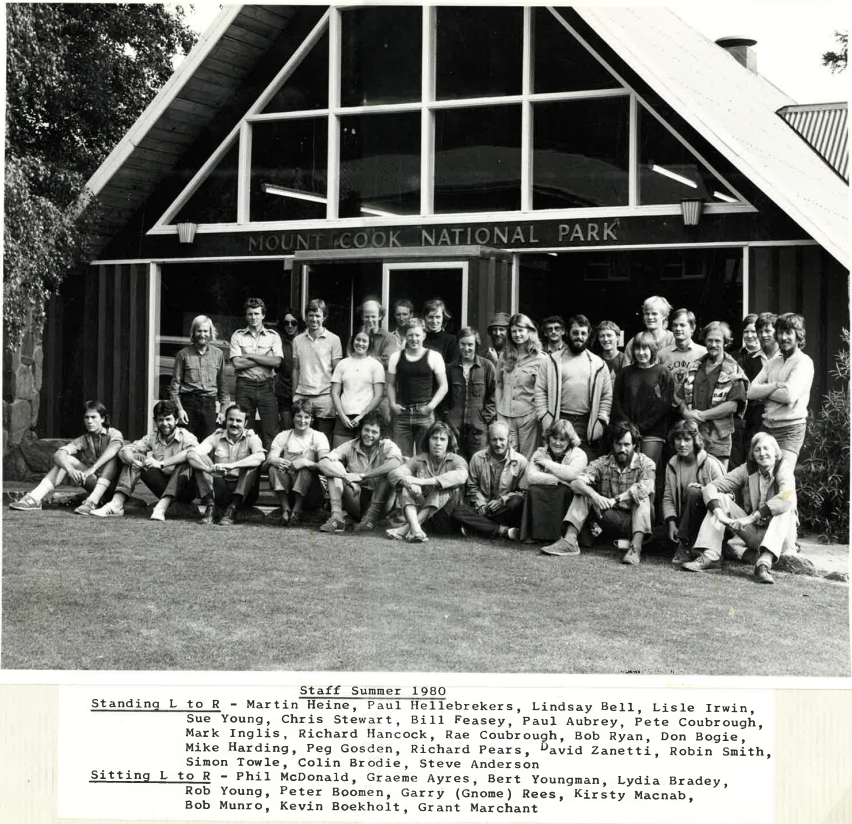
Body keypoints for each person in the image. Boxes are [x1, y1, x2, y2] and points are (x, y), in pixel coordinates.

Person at [683, 432, 797, 585]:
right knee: (721, 498)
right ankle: (711, 557)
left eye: (766, 448)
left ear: (776, 452)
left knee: (785, 509)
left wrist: (752, 517)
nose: (762, 453)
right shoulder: (748, 468)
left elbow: (787, 497)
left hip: (780, 538)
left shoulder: (783, 468)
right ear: (753, 454)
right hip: (754, 533)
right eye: (757, 449)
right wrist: (719, 514)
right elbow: (712, 487)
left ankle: (763, 564)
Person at [541, 421, 655, 566]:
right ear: (612, 444)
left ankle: (635, 549)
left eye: (627, 445)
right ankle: (570, 541)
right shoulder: (603, 462)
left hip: (636, 522)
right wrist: (595, 496)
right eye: (618, 444)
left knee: (642, 497)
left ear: (634, 445)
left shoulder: (646, 463)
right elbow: (576, 483)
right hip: (609, 518)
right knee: (584, 491)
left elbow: (646, 487)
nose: (622, 449)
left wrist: (616, 499)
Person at [386, 421, 516, 542]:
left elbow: (461, 476)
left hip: (446, 518)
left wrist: (422, 482)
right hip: (427, 520)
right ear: (428, 440)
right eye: (434, 438)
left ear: (448, 442)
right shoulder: (418, 459)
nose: (438, 443)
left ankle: (407, 529)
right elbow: (394, 473)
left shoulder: (457, 460)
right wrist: (409, 483)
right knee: (405, 488)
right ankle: (415, 527)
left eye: (442, 439)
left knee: (447, 487)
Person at [9, 400, 124, 515]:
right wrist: (70, 470)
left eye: (94, 417)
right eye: (87, 417)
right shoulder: (84, 439)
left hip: (116, 491)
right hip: (96, 485)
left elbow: (115, 447)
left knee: (114, 457)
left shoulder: (114, 433)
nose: (89, 421)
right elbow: (58, 455)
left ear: (103, 419)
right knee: (66, 460)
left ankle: (93, 501)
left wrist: (92, 469)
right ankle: (35, 498)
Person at [90, 400, 199, 521]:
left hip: (185, 488)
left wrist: (161, 464)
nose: (164, 423)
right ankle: (116, 504)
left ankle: (161, 507)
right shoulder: (153, 436)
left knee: (186, 461)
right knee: (137, 457)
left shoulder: (186, 436)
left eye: (168, 419)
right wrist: (132, 461)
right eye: (160, 420)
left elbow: (193, 454)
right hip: (163, 485)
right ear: (155, 421)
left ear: (177, 420)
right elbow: (126, 449)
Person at [535, 314, 612, 462]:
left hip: (586, 422)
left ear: (588, 336)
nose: (579, 337)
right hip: (559, 419)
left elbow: (606, 396)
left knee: (584, 464)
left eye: (583, 333)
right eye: (575, 333)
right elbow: (540, 390)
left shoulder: (599, 364)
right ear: (568, 333)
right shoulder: (551, 361)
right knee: (557, 463)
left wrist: (601, 419)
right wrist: (544, 416)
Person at [676, 321, 748, 470]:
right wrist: (686, 413)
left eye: (718, 341)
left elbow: (733, 406)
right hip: (693, 433)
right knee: (692, 476)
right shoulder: (695, 366)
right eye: (710, 340)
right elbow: (681, 399)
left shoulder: (733, 369)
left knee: (717, 478)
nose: (713, 344)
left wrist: (702, 415)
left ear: (725, 343)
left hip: (718, 435)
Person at [318, 410, 403, 533]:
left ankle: (371, 518)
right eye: (366, 430)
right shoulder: (351, 445)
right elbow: (323, 463)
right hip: (356, 498)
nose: (369, 435)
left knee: (390, 470)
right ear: (361, 430)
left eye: (374, 432)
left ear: (381, 434)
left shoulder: (387, 445)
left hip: (380, 501)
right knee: (333, 466)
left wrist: (362, 476)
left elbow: (396, 463)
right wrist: (345, 477)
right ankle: (337, 517)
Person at [747, 312, 814, 467]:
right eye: (780, 332)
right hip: (767, 426)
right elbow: (750, 392)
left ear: (798, 335)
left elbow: (789, 395)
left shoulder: (803, 362)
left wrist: (764, 393)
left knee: (783, 474)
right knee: (759, 473)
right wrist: (775, 385)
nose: (783, 337)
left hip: (790, 429)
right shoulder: (772, 362)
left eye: (788, 333)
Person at [187, 403, 266, 526]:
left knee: (253, 463)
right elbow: (192, 454)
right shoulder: (216, 436)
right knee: (200, 458)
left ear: (245, 423)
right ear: (226, 420)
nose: (234, 424)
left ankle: (232, 510)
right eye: (231, 419)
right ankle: (210, 508)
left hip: (244, 492)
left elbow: (261, 457)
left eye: (238, 421)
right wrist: (207, 469)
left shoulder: (252, 437)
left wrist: (232, 465)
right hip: (221, 488)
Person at [662, 419, 725, 564]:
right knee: (655, 538)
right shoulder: (672, 464)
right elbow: (668, 498)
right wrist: (671, 523)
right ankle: (688, 544)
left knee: (693, 491)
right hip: (683, 520)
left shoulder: (710, 463)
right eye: (678, 439)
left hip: (709, 522)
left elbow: (728, 497)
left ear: (695, 440)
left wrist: (704, 491)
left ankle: (685, 545)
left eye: (687, 439)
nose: (682, 444)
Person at [611, 330, 674, 474]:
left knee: (646, 472)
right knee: (627, 473)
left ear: (652, 349)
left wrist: (640, 427)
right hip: (626, 431)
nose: (641, 352)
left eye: (645, 348)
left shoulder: (663, 373)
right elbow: (617, 403)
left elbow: (663, 407)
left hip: (653, 432)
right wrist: (628, 427)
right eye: (637, 348)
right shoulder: (625, 373)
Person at [387, 318, 448, 457]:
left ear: (424, 335)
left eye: (417, 335)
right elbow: (390, 384)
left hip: (424, 414)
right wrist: (392, 404)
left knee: (425, 456)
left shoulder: (434, 356)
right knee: (401, 457)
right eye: (410, 335)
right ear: (405, 336)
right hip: (402, 414)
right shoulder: (396, 357)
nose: (414, 339)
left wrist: (431, 406)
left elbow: (444, 386)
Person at [519, 419, 588, 543]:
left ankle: (562, 535)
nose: (557, 443)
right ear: (548, 437)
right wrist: (559, 480)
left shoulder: (579, 454)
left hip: (567, 495)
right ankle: (536, 535)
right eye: (554, 438)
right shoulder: (540, 452)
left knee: (565, 491)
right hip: (550, 489)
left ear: (569, 441)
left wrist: (546, 463)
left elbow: (571, 474)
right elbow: (531, 477)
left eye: (562, 439)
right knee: (533, 490)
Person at [229, 297, 283, 451]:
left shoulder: (273, 336)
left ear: (263, 315)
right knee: (244, 429)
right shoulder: (238, 336)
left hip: (266, 387)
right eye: (250, 314)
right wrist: (265, 359)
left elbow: (277, 362)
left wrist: (251, 356)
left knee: (271, 429)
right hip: (244, 386)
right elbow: (237, 364)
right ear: (246, 316)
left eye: (257, 314)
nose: (254, 317)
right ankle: (246, 462)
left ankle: (270, 462)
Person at [265, 399, 330, 527]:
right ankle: (286, 510)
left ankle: (297, 511)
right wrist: (274, 459)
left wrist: (306, 462)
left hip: (311, 492)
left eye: (307, 417)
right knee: (273, 468)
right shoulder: (283, 435)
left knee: (305, 470)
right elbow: (271, 456)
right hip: (288, 491)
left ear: (312, 419)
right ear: (293, 417)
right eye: (299, 416)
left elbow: (325, 465)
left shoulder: (318, 436)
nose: (302, 420)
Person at [169, 315, 229, 440]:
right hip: (189, 405)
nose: (202, 334)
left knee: (208, 443)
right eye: (199, 331)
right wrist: (179, 409)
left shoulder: (218, 354)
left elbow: (222, 385)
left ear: (211, 333)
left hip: (209, 405)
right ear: (193, 332)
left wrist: (223, 411)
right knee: (187, 442)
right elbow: (175, 387)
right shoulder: (183, 355)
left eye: (206, 331)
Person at [292, 298, 343, 444]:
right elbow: (295, 369)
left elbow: (337, 372)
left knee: (323, 441)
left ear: (324, 317)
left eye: (318, 316)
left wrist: (334, 397)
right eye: (310, 315)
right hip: (302, 395)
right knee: (301, 439)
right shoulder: (298, 340)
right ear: (306, 317)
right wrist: (294, 394)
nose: (314, 319)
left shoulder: (334, 340)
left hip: (325, 397)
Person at [496, 313, 546, 460]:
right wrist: (499, 413)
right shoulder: (504, 356)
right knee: (507, 457)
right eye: (514, 331)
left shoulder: (541, 359)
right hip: (506, 416)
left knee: (526, 459)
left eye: (521, 330)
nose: (517, 335)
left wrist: (536, 415)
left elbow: (545, 391)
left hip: (529, 417)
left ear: (529, 331)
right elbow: (499, 385)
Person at [465, 422, 528, 535]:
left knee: (517, 502)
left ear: (509, 439)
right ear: (488, 440)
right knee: (458, 509)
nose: (498, 444)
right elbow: (472, 486)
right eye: (494, 439)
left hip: (505, 509)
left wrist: (502, 500)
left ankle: (477, 525)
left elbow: (523, 492)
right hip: (482, 508)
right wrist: (481, 503)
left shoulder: (521, 461)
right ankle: (501, 530)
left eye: (501, 439)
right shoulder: (477, 458)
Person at [732, 312, 777, 467]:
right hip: (754, 417)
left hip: (779, 417)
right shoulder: (747, 360)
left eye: (767, 331)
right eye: (747, 331)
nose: (760, 335)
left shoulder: (783, 357)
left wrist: (762, 392)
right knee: (754, 458)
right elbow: (749, 392)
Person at [444, 327, 496, 461]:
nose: (466, 348)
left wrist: (485, 417)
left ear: (476, 345)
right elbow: (444, 395)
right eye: (463, 344)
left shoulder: (487, 366)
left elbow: (495, 394)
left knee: (478, 462)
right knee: (456, 462)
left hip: (478, 428)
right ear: (458, 344)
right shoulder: (450, 368)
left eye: (470, 344)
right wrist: (449, 416)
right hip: (455, 427)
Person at [329, 327, 385, 448]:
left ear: (370, 343)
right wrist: (342, 416)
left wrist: (361, 416)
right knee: (338, 455)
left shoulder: (376, 365)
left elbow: (378, 395)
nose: (360, 343)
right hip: (344, 418)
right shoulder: (342, 364)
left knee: (363, 455)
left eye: (364, 341)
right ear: (353, 340)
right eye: (358, 339)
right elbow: (334, 393)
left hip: (366, 419)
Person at [656, 308, 707, 402]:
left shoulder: (703, 353)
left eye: (682, 325)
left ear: (692, 328)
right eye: (675, 325)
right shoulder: (661, 355)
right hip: (668, 406)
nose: (678, 328)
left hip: (693, 406)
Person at [274, 307, 303, 433]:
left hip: (303, 392)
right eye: (286, 323)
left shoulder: (304, 341)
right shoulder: (279, 343)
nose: (290, 326)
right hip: (284, 395)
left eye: (294, 323)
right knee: (286, 431)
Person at [624, 295, 675, 362]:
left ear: (664, 316)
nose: (650, 317)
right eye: (647, 314)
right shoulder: (635, 341)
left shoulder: (673, 340)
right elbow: (626, 367)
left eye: (654, 314)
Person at [358, 299, 399, 368]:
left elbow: (386, 362)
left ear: (380, 316)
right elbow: (349, 361)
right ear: (362, 317)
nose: (370, 320)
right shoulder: (355, 338)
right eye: (367, 317)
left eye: (373, 316)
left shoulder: (389, 338)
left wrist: (359, 359)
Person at [422, 298, 460, 366]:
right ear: (424, 317)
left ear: (443, 318)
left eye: (438, 317)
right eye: (430, 317)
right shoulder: (418, 339)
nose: (434, 321)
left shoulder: (452, 341)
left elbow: (453, 367)